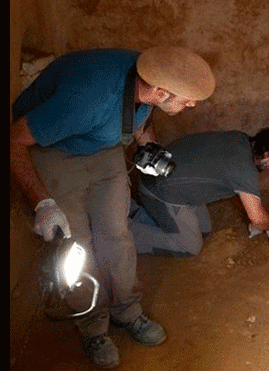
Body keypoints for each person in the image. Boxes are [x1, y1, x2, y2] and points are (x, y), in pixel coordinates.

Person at [10, 46, 216, 369]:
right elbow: (15, 139)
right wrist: (43, 203)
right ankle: (92, 326)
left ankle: (128, 311)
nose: (191, 105)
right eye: (187, 99)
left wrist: (149, 148)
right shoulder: (87, 99)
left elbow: (138, 117)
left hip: (102, 145)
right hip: (56, 151)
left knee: (116, 234)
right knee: (76, 243)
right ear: (160, 91)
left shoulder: (149, 73)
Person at [129, 127, 269, 257]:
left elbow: (242, 195)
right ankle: (126, 236)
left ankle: (137, 214)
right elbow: (257, 218)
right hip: (159, 191)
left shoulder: (240, 139)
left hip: (169, 181)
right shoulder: (244, 169)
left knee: (204, 230)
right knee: (190, 247)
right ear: (266, 154)